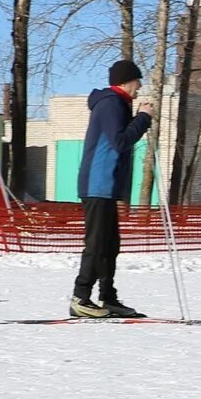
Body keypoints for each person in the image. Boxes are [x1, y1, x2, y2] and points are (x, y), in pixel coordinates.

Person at [72, 60, 152, 319]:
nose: (140, 86)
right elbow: (120, 141)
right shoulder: (110, 103)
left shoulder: (118, 103)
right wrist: (143, 118)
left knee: (110, 244)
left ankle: (108, 296)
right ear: (127, 81)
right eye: (138, 80)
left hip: (106, 186)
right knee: (97, 244)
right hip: (98, 184)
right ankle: (80, 297)